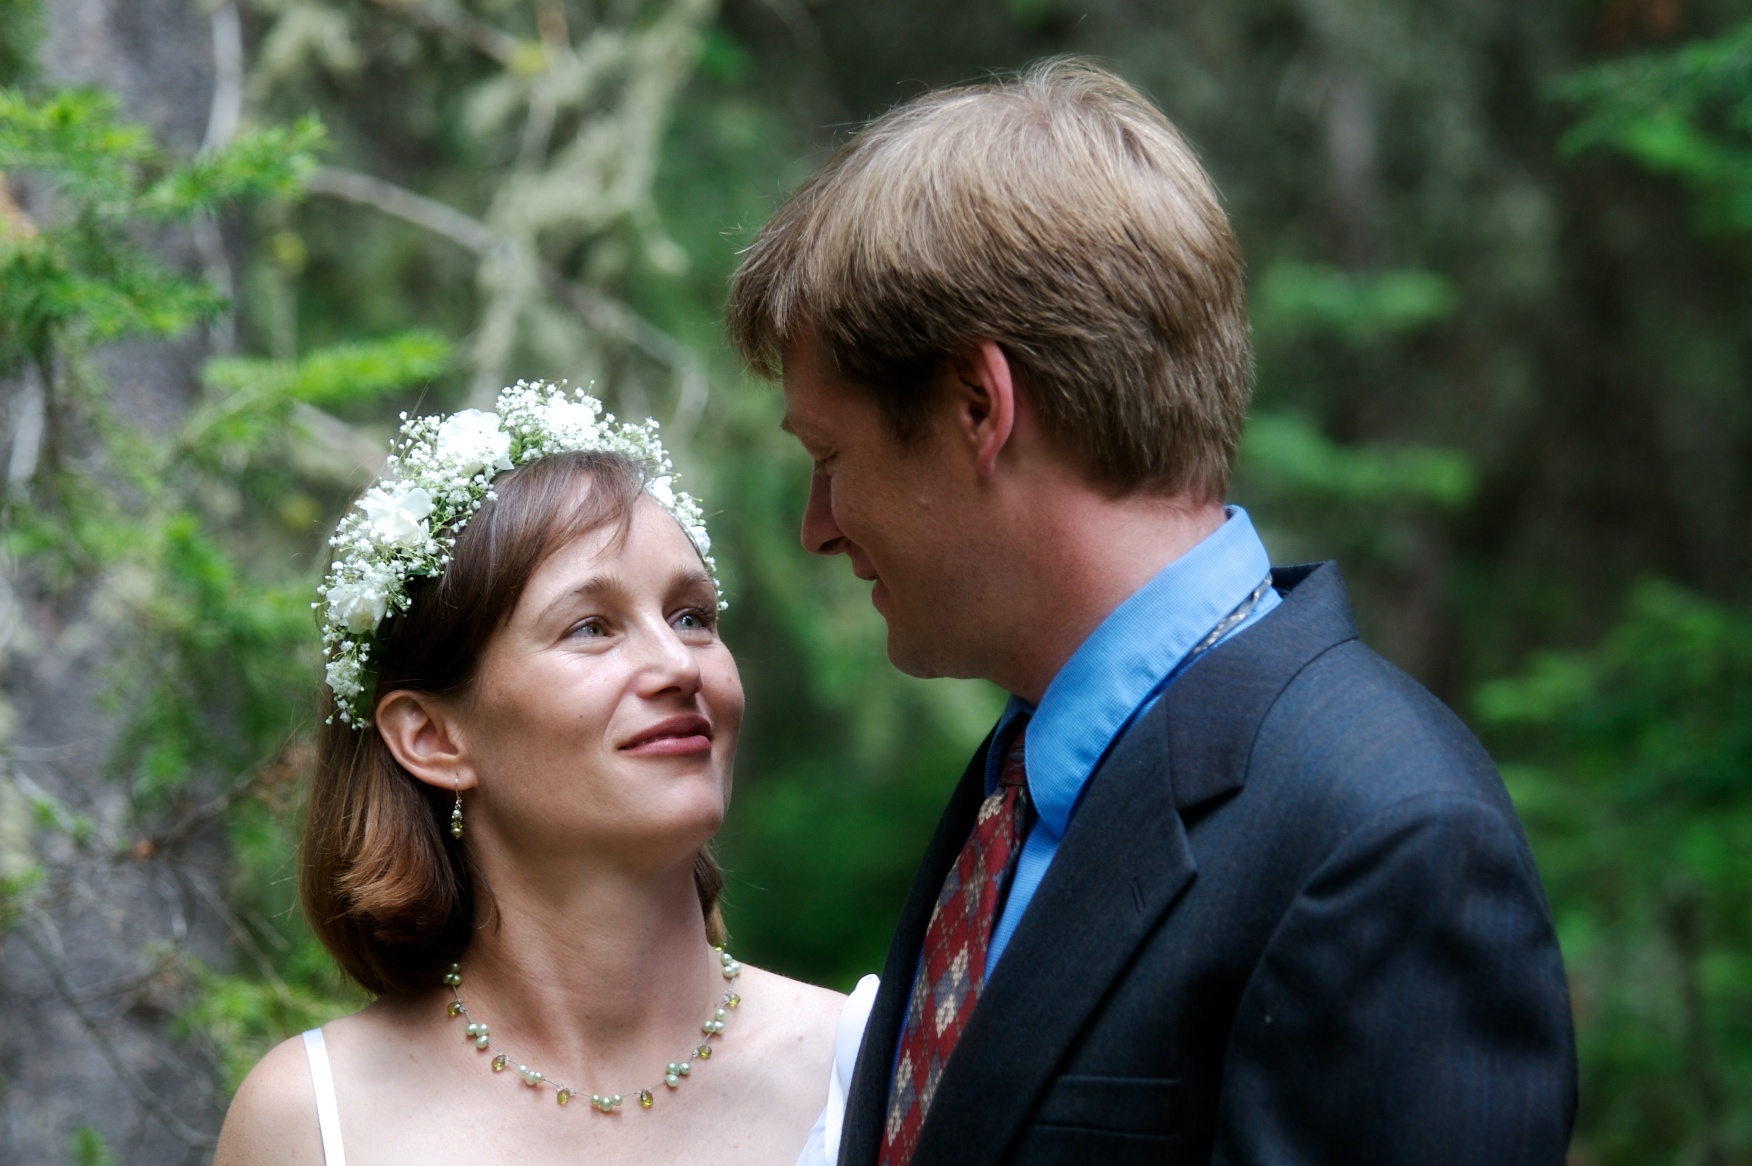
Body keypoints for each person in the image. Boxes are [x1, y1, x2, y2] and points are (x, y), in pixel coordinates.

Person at [726, 59, 1577, 1165]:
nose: (817, 527)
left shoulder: (1389, 840)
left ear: (979, 405)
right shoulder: (1019, 790)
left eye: (830, 456)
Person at [214, 383, 874, 1166]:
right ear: (432, 737)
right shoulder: (311, 1121)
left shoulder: (868, 1064)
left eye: (692, 616)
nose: (678, 665)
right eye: (591, 627)